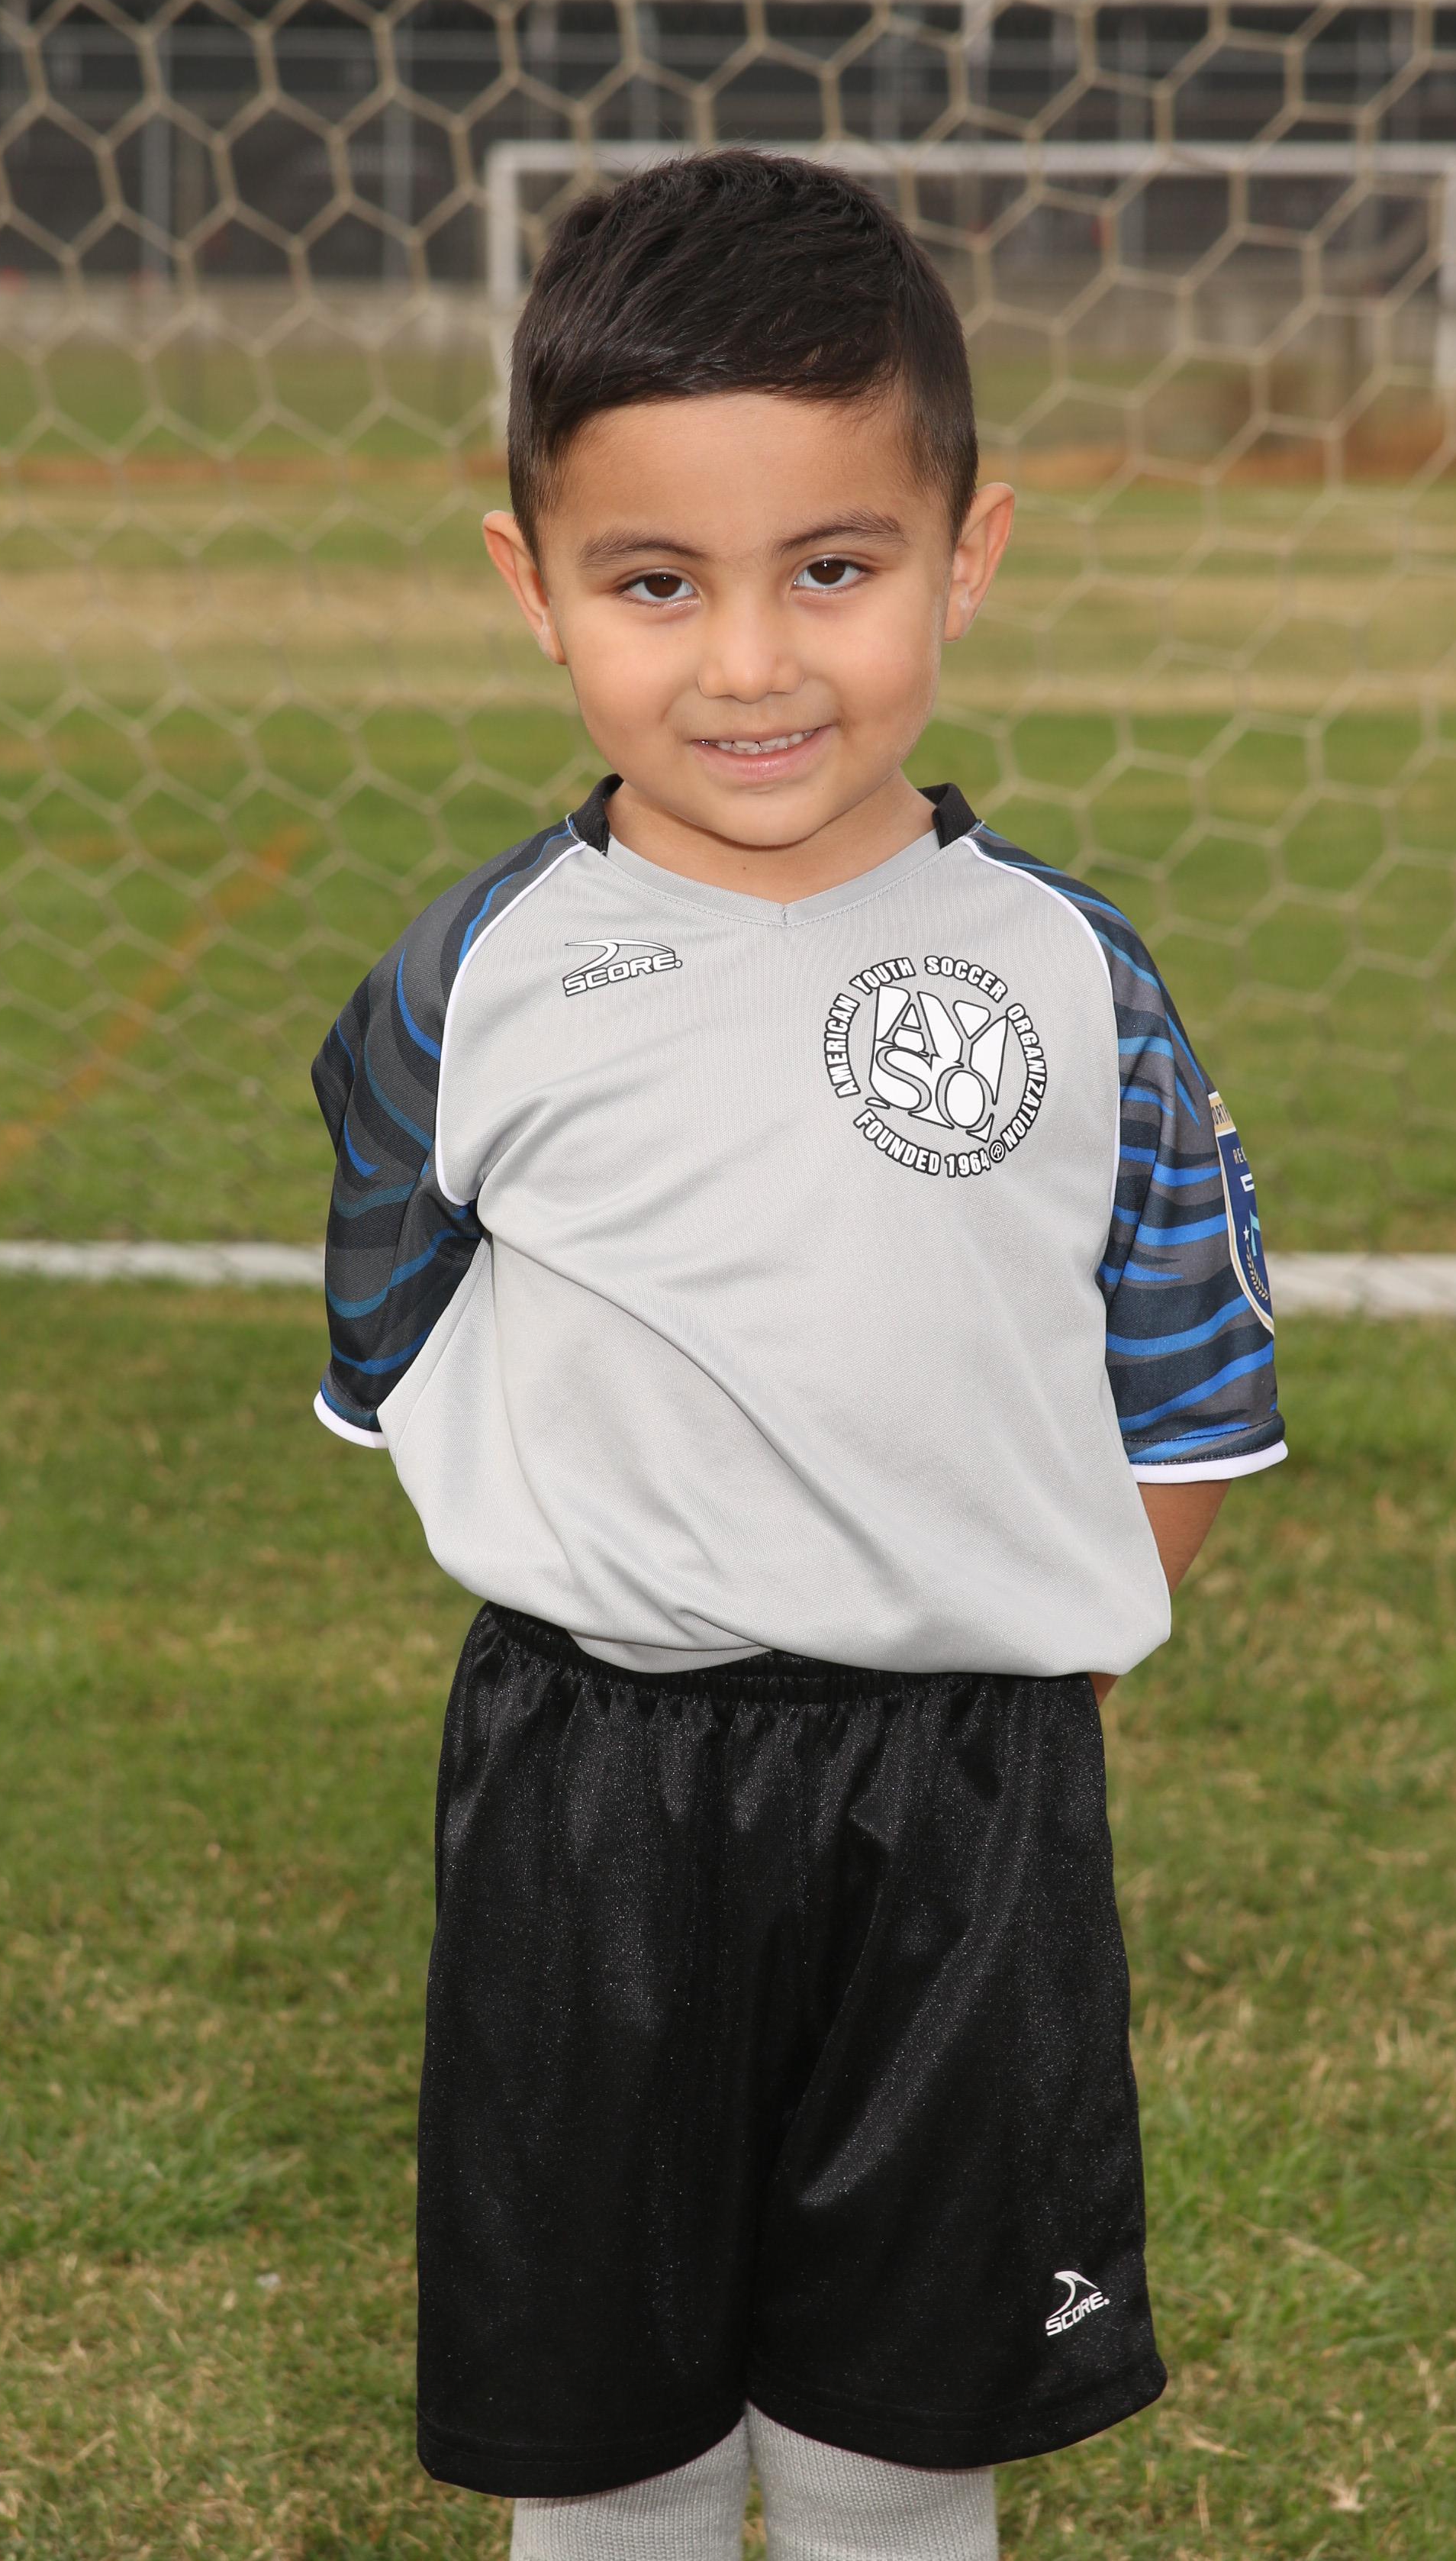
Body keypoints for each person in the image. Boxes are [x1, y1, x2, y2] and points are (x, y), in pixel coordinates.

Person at [311, 150, 1285, 2561]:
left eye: (833, 569)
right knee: (604, 2446)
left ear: (969, 555)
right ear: (534, 587)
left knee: (899, 2441)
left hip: (963, 1804)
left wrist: (1025, 1645)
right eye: (658, 583)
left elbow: (1186, 1374)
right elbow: (395, 1328)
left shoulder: (1076, 980)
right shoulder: (468, 985)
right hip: (589, 1796)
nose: (749, 663)